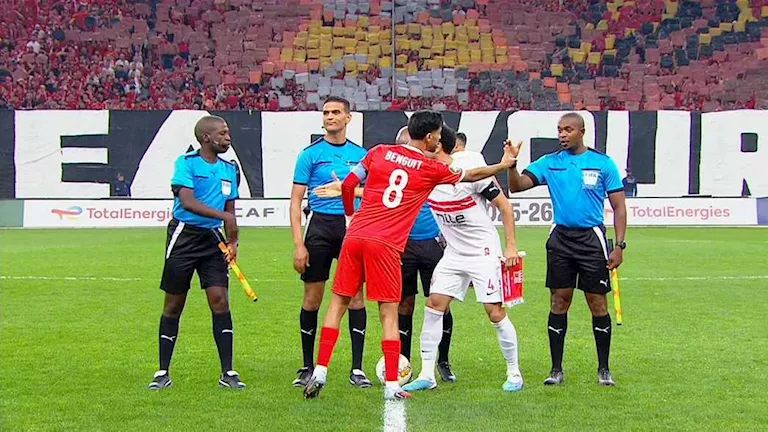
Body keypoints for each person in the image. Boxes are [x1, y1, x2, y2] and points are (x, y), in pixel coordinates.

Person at [304, 110, 518, 400]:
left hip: (355, 237)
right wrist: (503, 165)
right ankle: (395, 384)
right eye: (437, 134)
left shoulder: (378, 152)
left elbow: (352, 185)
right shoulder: (430, 170)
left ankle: (320, 371)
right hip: (388, 245)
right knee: (390, 312)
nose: (439, 139)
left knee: (338, 302)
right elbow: (472, 175)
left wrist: (351, 217)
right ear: (429, 137)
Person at [507, 112, 628, 386]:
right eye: (560, 129)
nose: (562, 134)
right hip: (560, 239)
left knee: (597, 303)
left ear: (581, 132)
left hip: (591, 240)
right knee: (559, 301)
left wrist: (620, 245)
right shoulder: (550, 163)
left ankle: (604, 369)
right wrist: (512, 165)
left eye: (568, 130)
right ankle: (556, 370)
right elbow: (516, 186)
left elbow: (619, 207)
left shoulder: (602, 163)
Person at [403, 125, 524, 393]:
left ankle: (514, 373)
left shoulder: (469, 169)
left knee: (494, 311)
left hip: (483, 251)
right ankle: (427, 374)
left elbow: (505, 207)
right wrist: (347, 190)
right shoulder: (425, 175)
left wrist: (511, 247)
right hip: (454, 253)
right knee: (434, 304)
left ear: (437, 144)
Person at [148, 115, 244, 390]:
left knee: (220, 301)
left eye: (228, 132)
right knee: (174, 304)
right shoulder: (186, 163)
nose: (228, 137)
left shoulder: (229, 169)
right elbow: (187, 201)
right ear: (206, 137)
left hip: (213, 240)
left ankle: (228, 372)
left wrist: (233, 242)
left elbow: (231, 209)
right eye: (222, 133)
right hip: (184, 237)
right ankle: (162, 372)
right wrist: (224, 217)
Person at [290, 96, 371, 388]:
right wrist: (299, 244)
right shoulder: (309, 154)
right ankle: (307, 366)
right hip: (319, 228)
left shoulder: (361, 155)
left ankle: (357, 368)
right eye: (326, 113)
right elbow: (296, 201)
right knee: (313, 297)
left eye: (336, 112)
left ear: (348, 118)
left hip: (352, 226)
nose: (330, 117)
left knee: (356, 296)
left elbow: (371, 193)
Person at [394, 126, 456, 382]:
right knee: (404, 303)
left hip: (433, 244)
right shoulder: (395, 172)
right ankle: (403, 363)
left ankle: (443, 361)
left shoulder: (434, 170)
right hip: (403, 244)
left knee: (440, 304)